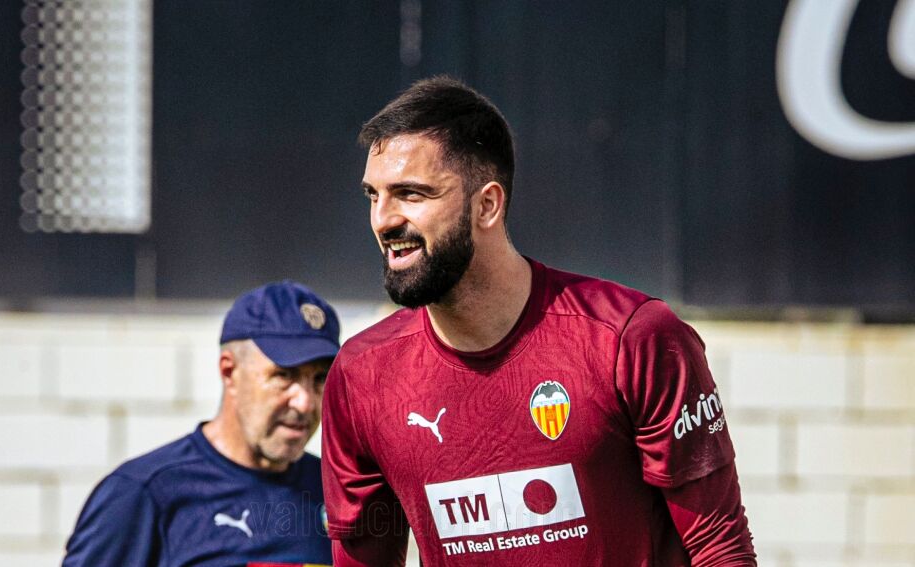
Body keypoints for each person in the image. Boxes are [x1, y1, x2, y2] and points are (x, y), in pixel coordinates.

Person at [320, 76, 756, 566]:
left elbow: (721, 549)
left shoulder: (631, 338)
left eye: (410, 194)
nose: (383, 220)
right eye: (373, 196)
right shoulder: (361, 376)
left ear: (487, 205)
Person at [64, 281, 339, 567]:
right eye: (283, 375)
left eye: (320, 379)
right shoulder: (143, 494)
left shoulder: (337, 493)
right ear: (229, 371)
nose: (305, 403)